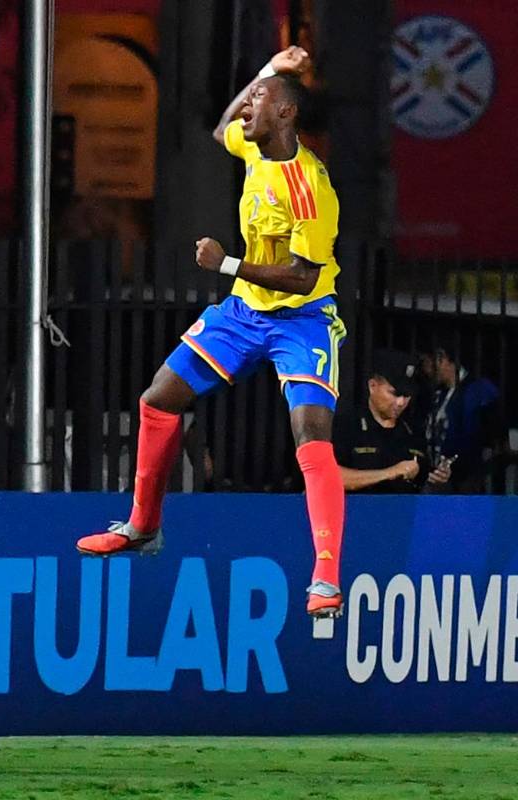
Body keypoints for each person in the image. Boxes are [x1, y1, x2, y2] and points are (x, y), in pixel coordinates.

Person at [74, 46, 351, 619]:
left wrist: (226, 266)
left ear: (287, 116)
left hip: (302, 317)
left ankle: (325, 576)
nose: (249, 105)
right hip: (245, 311)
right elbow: (221, 127)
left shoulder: (312, 188)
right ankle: (143, 527)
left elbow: (302, 278)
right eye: (250, 96)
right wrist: (267, 70)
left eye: (262, 100)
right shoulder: (252, 143)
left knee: (311, 435)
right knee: (159, 398)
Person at [333, 352, 451, 493]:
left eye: (406, 395)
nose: (401, 402)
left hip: (402, 512)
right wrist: (389, 473)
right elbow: (327, 476)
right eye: (394, 394)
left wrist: (436, 475)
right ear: (372, 386)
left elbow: (423, 474)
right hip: (357, 511)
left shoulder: (412, 432)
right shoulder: (346, 425)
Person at [425, 346, 502, 492]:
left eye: (427, 363)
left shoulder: (478, 391)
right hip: (441, 475)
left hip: (465, 477)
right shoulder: (439, 393)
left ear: (441, 359)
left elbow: (493, 434)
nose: (426, 370)